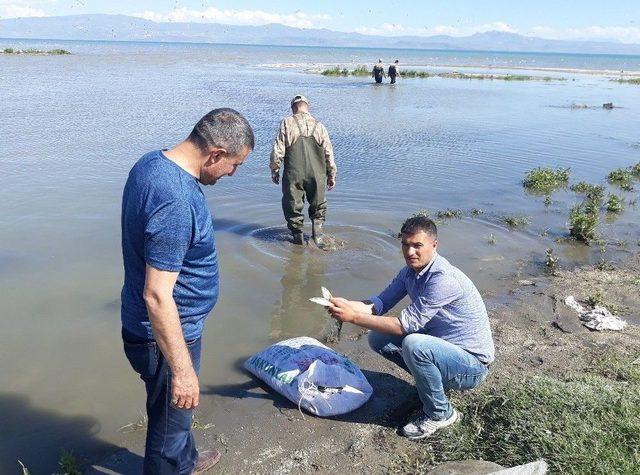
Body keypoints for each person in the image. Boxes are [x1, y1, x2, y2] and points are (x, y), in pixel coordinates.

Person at [120, 108, 254, 473]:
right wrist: (181, 369)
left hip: (163, 327)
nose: (232, 174)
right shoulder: (176, 200)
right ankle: (173, 463)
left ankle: (186, 459)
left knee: (174, 415)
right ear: (216, 155)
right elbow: (157, 295)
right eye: (234, 165)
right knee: (168, 429)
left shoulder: (151, 163)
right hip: (162, 336)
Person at [327, 216, 494, 440]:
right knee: (378, 337)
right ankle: (432, 387)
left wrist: (353, 318)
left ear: (434, 245)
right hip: (445, 350)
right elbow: (379, 304)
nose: (410, 252)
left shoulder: (443, 279)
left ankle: (441, 414)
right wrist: (346, 304)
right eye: (406, 245)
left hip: (472, 366)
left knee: (414, 344)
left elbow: (404, 325)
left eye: (417, 245)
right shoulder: (409, 272)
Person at [270, 94, 337, 247]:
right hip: (317, 174)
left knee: (292, 206)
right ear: (308, 107)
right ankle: (318, 239)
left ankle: (298, 242)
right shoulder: (320, 126)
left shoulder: (287, 123)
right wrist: (331, 174)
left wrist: (275, 170)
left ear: (293, 108)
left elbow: (278, 150)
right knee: (318, 206)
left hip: (294, 174)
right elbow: (329, 153)